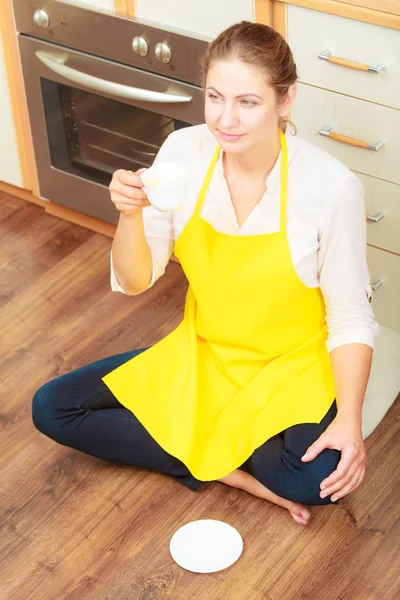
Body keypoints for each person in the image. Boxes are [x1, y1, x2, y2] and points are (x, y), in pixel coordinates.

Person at [32, 22, 379, 527]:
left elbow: (350, 318)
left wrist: (349, 420)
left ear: (286, 100)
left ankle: (201, 446)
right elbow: (134, 280)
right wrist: (129, 214)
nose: (225, 119)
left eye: (247, 102)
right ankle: (228, 470)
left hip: (292, 367)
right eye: (214, 97)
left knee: (317, 479)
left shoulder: (331, 187)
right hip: (205, 355)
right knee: (54, 407)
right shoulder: (182, 156)